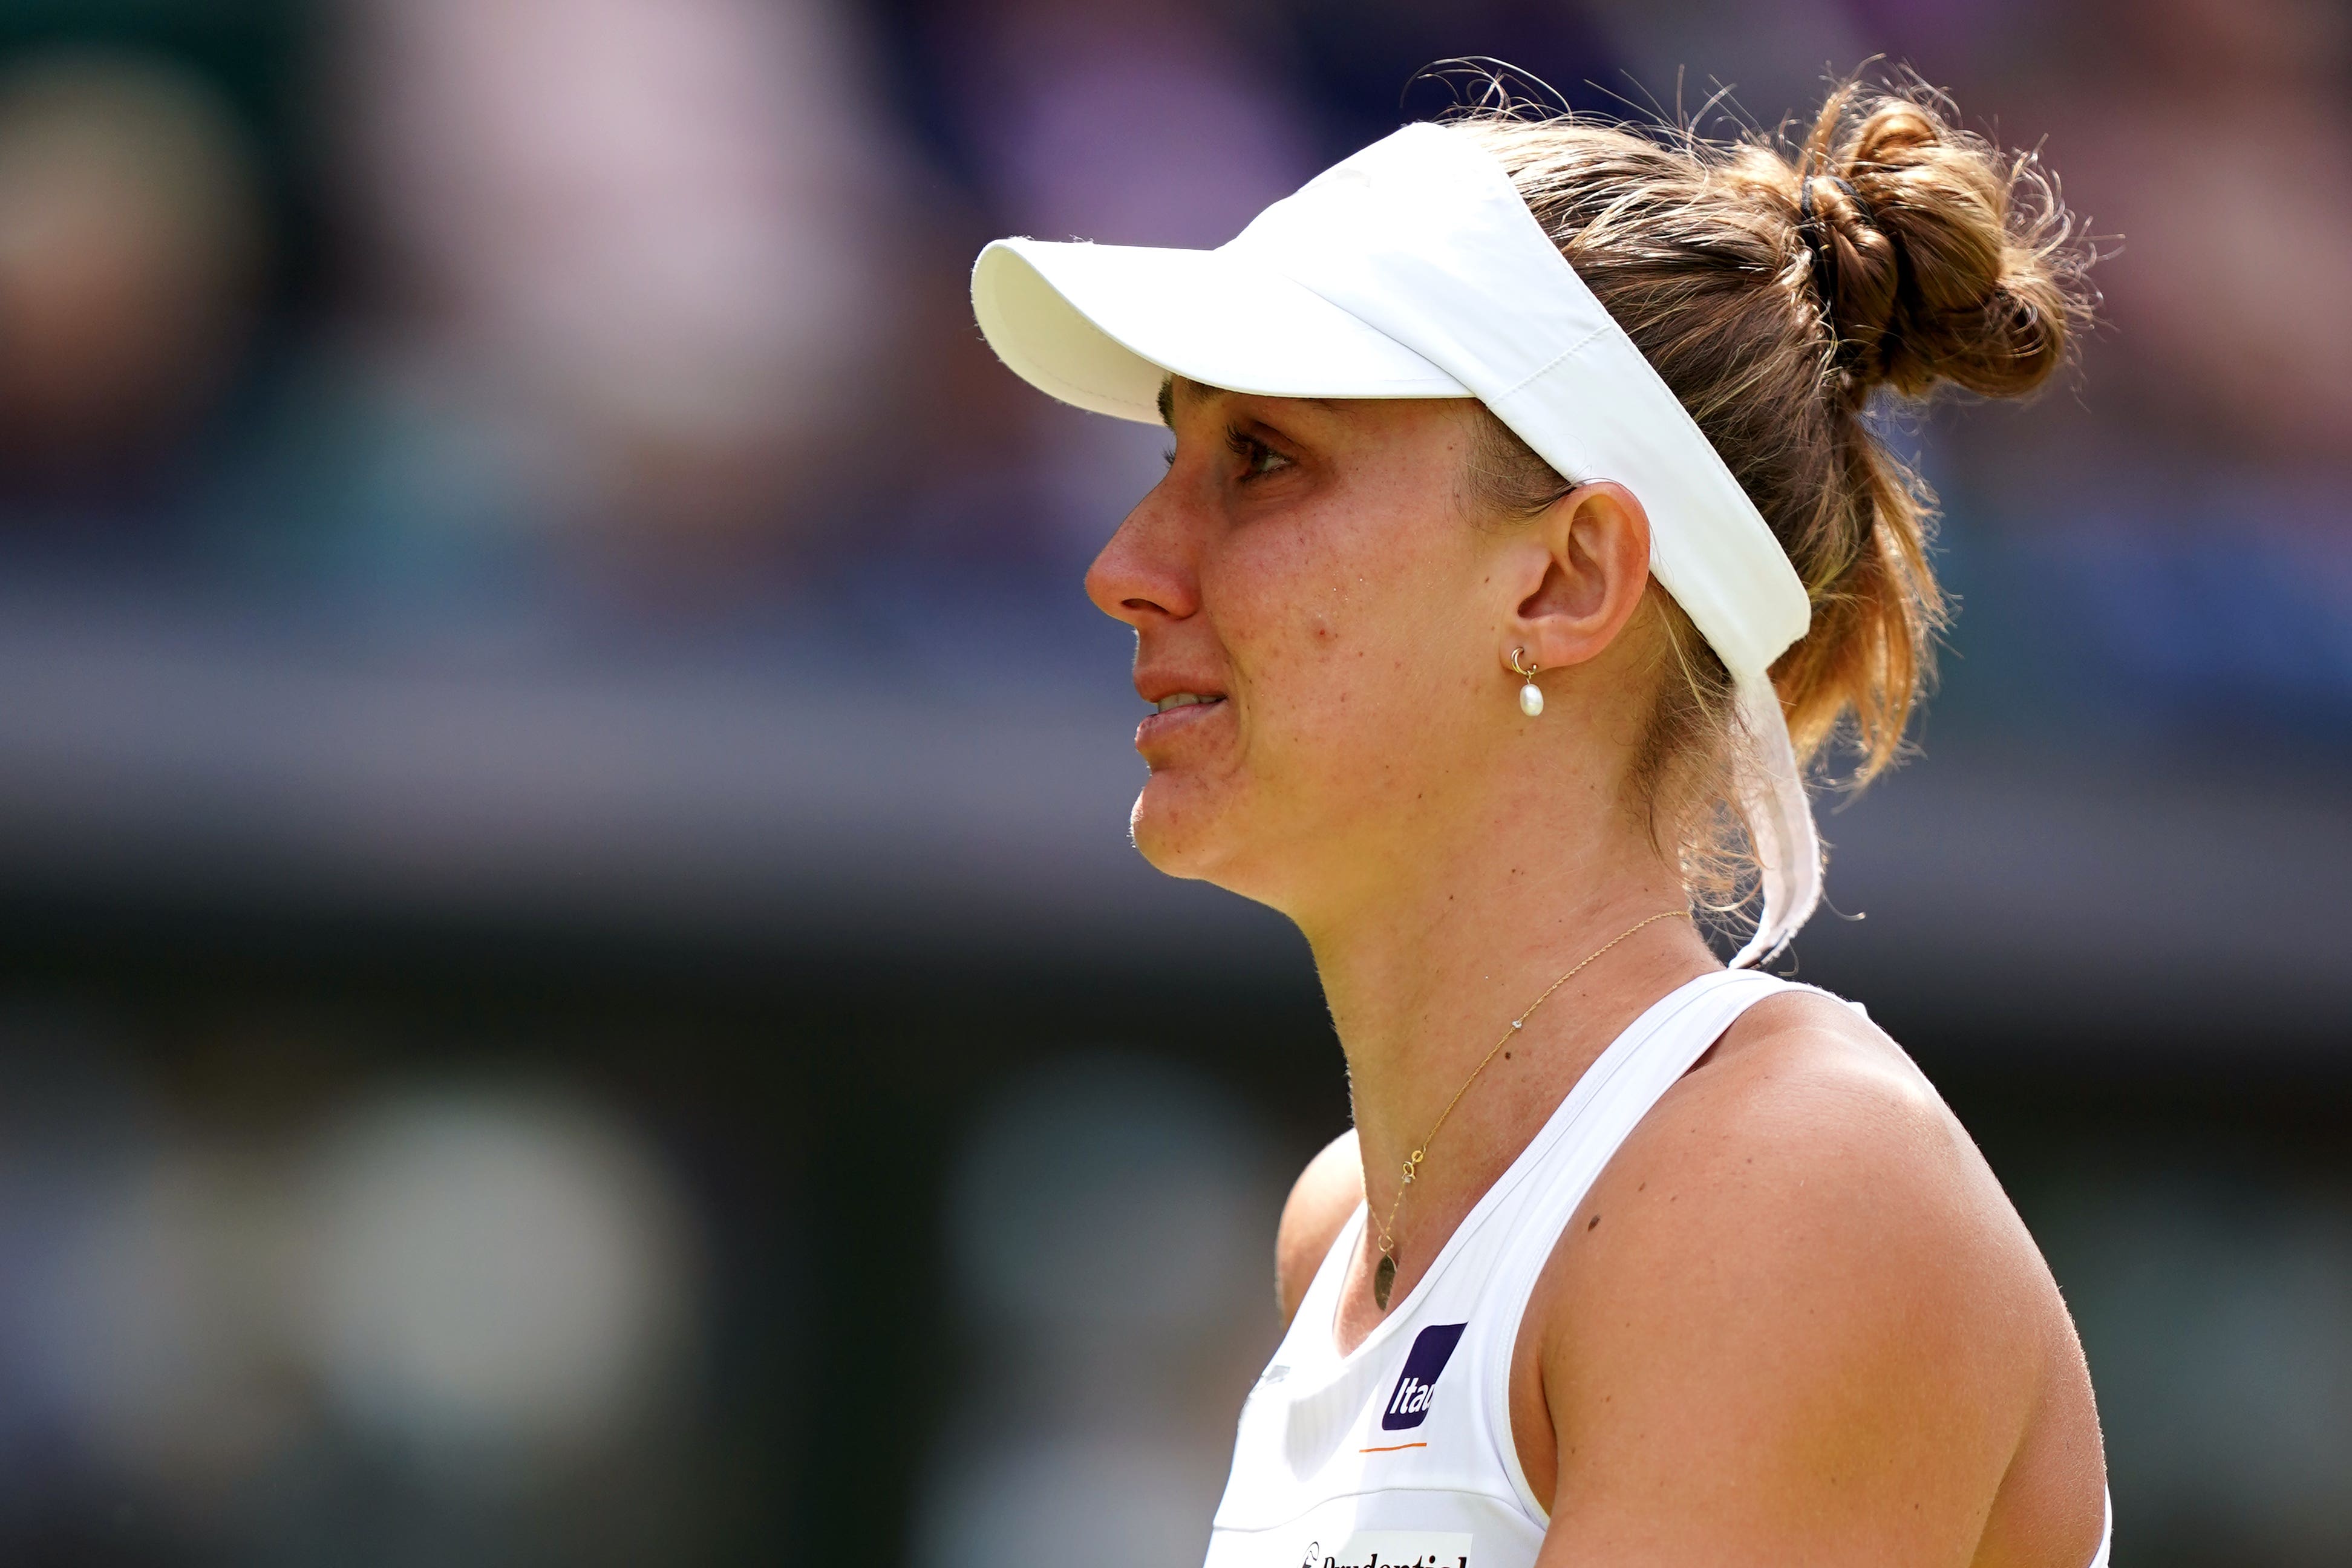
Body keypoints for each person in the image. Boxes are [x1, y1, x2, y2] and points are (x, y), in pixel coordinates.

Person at [969, 76, 2106, 1568]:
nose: (1128, 563)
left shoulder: (1790, 1184)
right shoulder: (1342, 1225)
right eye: (1167, 457)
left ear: (1567, 580)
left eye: (1261, 460)